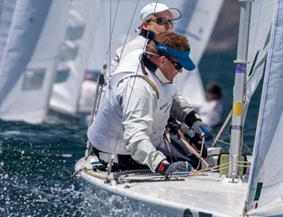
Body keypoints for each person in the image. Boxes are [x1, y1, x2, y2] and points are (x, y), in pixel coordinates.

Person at [87, 31, 212, 176]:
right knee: (189, 168)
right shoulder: (139, 88)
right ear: (163, 60)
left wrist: (193, 120)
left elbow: (171, 94)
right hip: (118, 156)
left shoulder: (154, 63)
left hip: (149, 145)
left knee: (197, 159)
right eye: (178, 66)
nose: (181, 71)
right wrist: (164, 167)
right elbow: (136, 139)